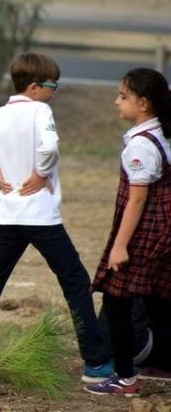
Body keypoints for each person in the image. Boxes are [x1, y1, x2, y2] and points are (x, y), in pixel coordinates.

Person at [0, 52, 112, 383]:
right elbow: (49, 147)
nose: (55, 91)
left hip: (9, 214)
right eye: (53, 85)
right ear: (35, 86)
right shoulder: (41, 111)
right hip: (41, 216)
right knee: (75, 282)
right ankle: (95, 364)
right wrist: (42, 172)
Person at [85, 68, 171, 396]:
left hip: (146, 233)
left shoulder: (142, 146)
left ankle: (125, 377)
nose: (116, 101)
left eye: (123, 96)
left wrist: (120, 246)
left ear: (144, 103)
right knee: (158, 301)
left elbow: (137, 199)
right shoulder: (161, 132)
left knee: (119, 300)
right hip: (160, 231)